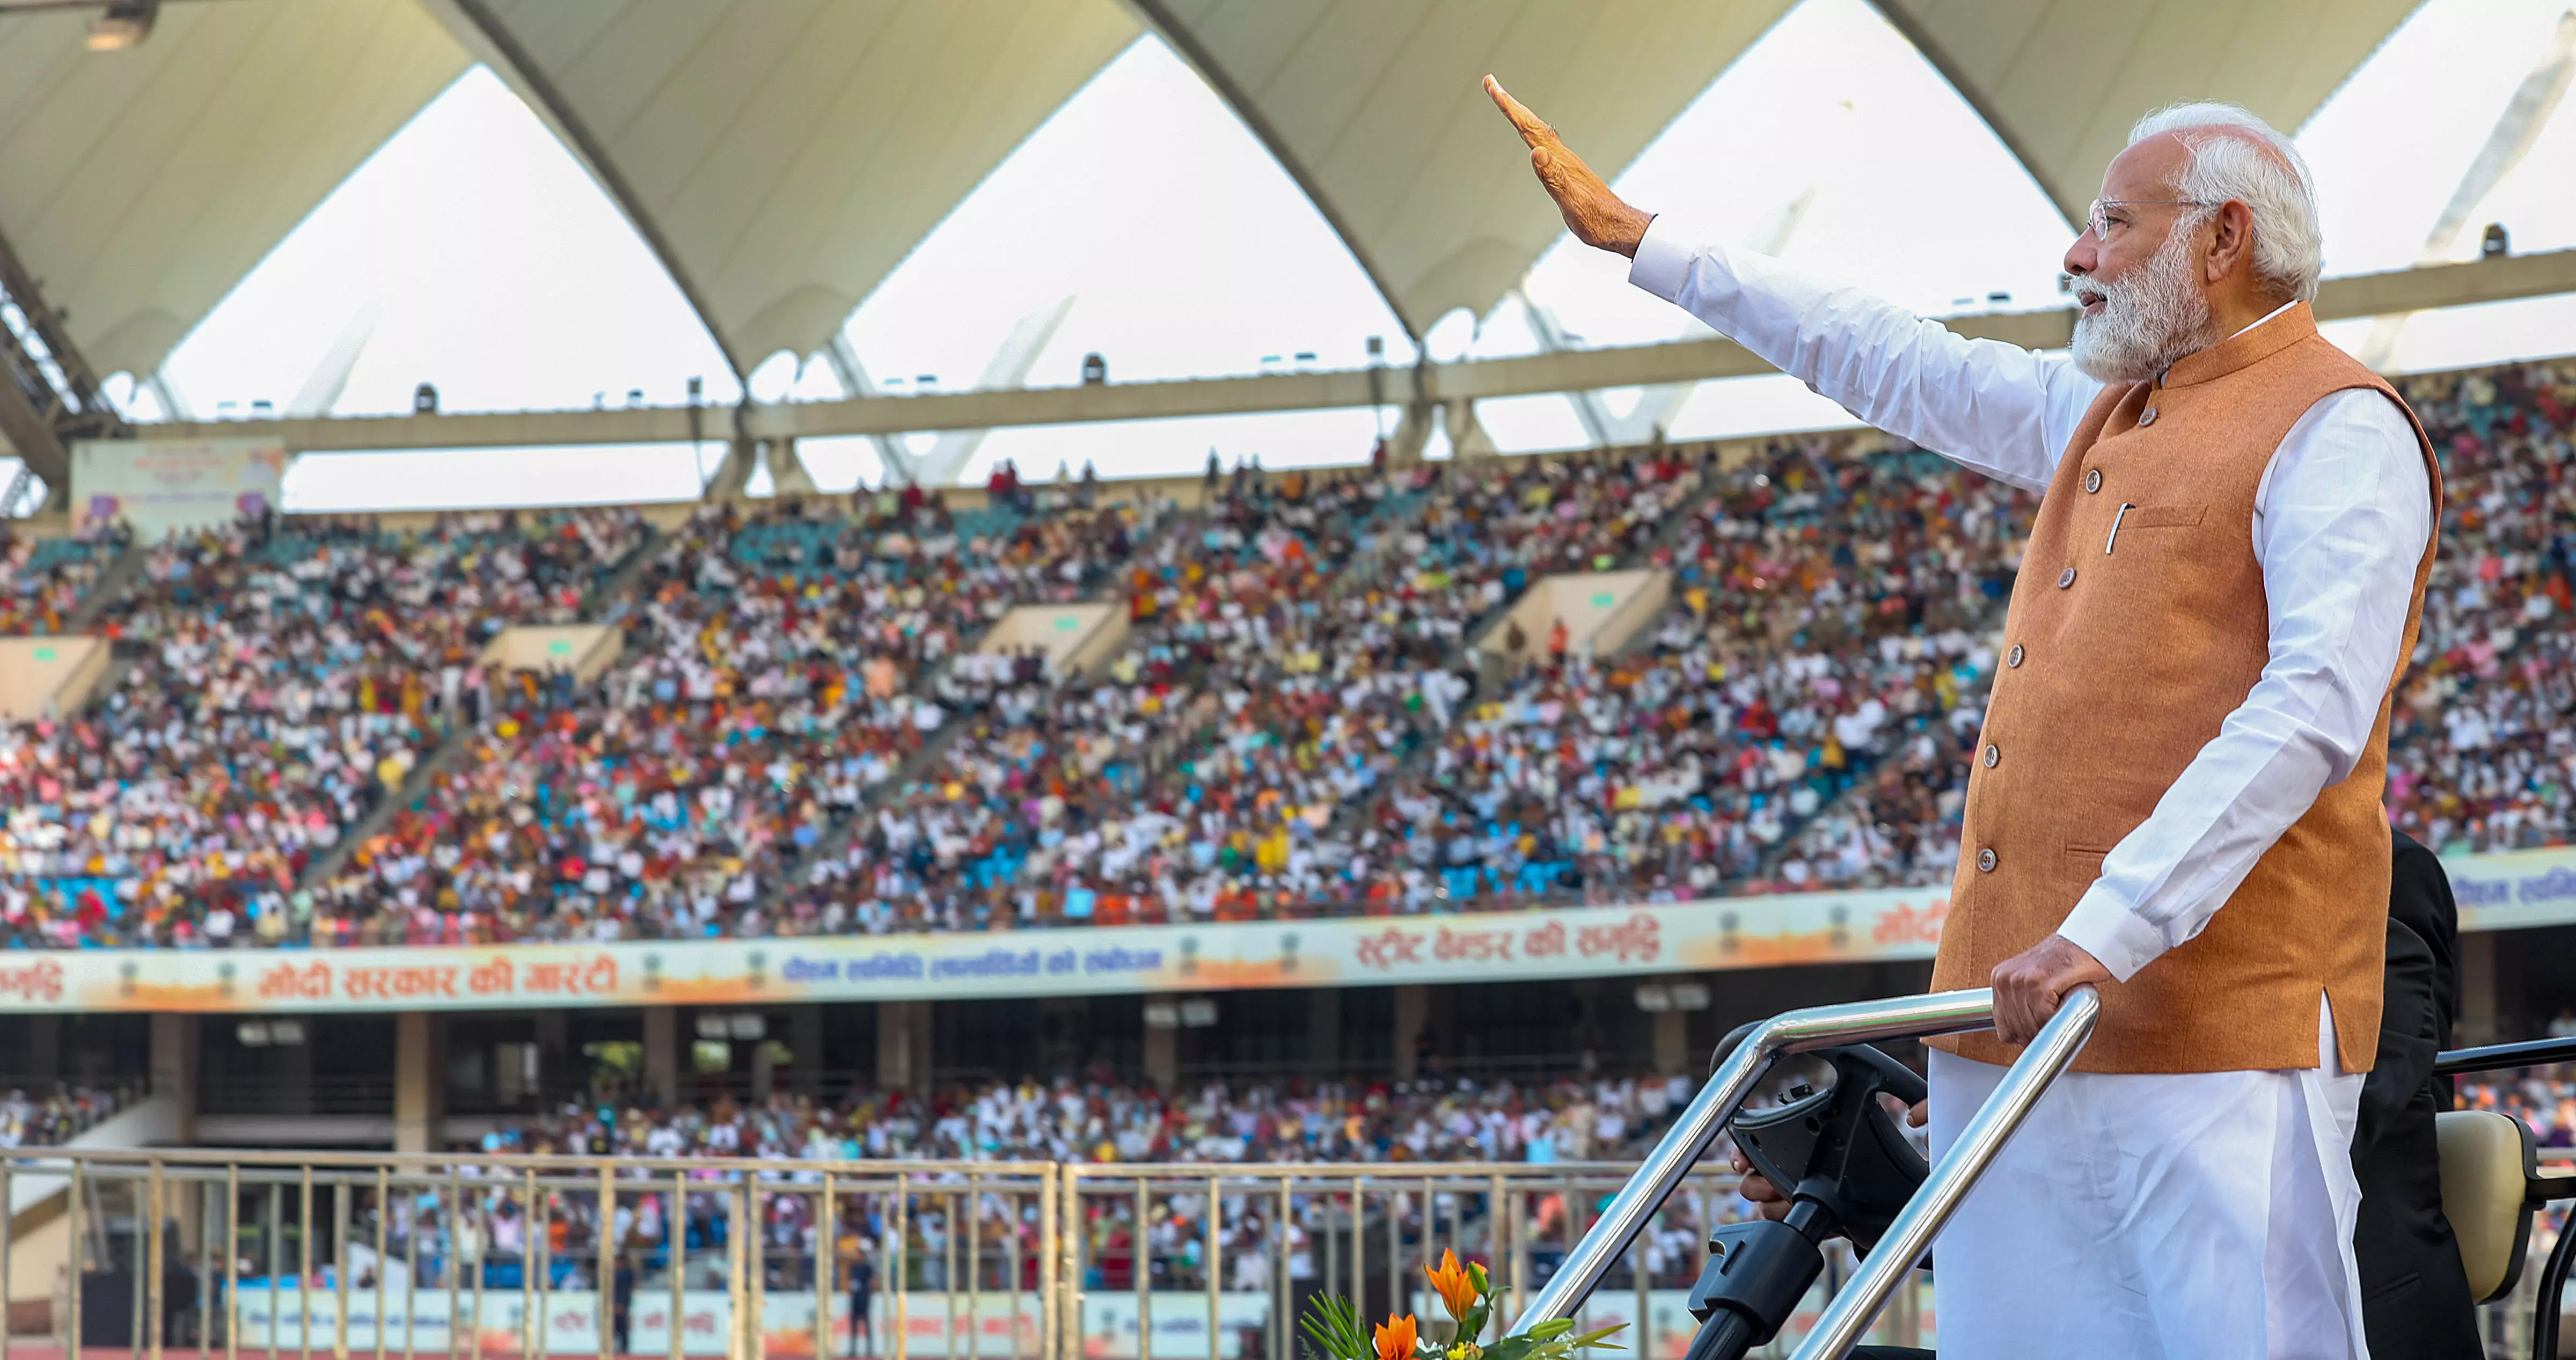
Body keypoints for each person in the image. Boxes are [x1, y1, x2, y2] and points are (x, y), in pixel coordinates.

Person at [1489, 76, 2438, 1360]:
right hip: (2014, 1038)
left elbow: (2314, 705)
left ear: (2225, 240)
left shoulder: (2337, 425)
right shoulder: (2100, 408)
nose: (2076, 252)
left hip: (2219, 1040)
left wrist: (2108, 929)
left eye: (2113, 221)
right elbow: (1895, 359)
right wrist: (1650, 244)